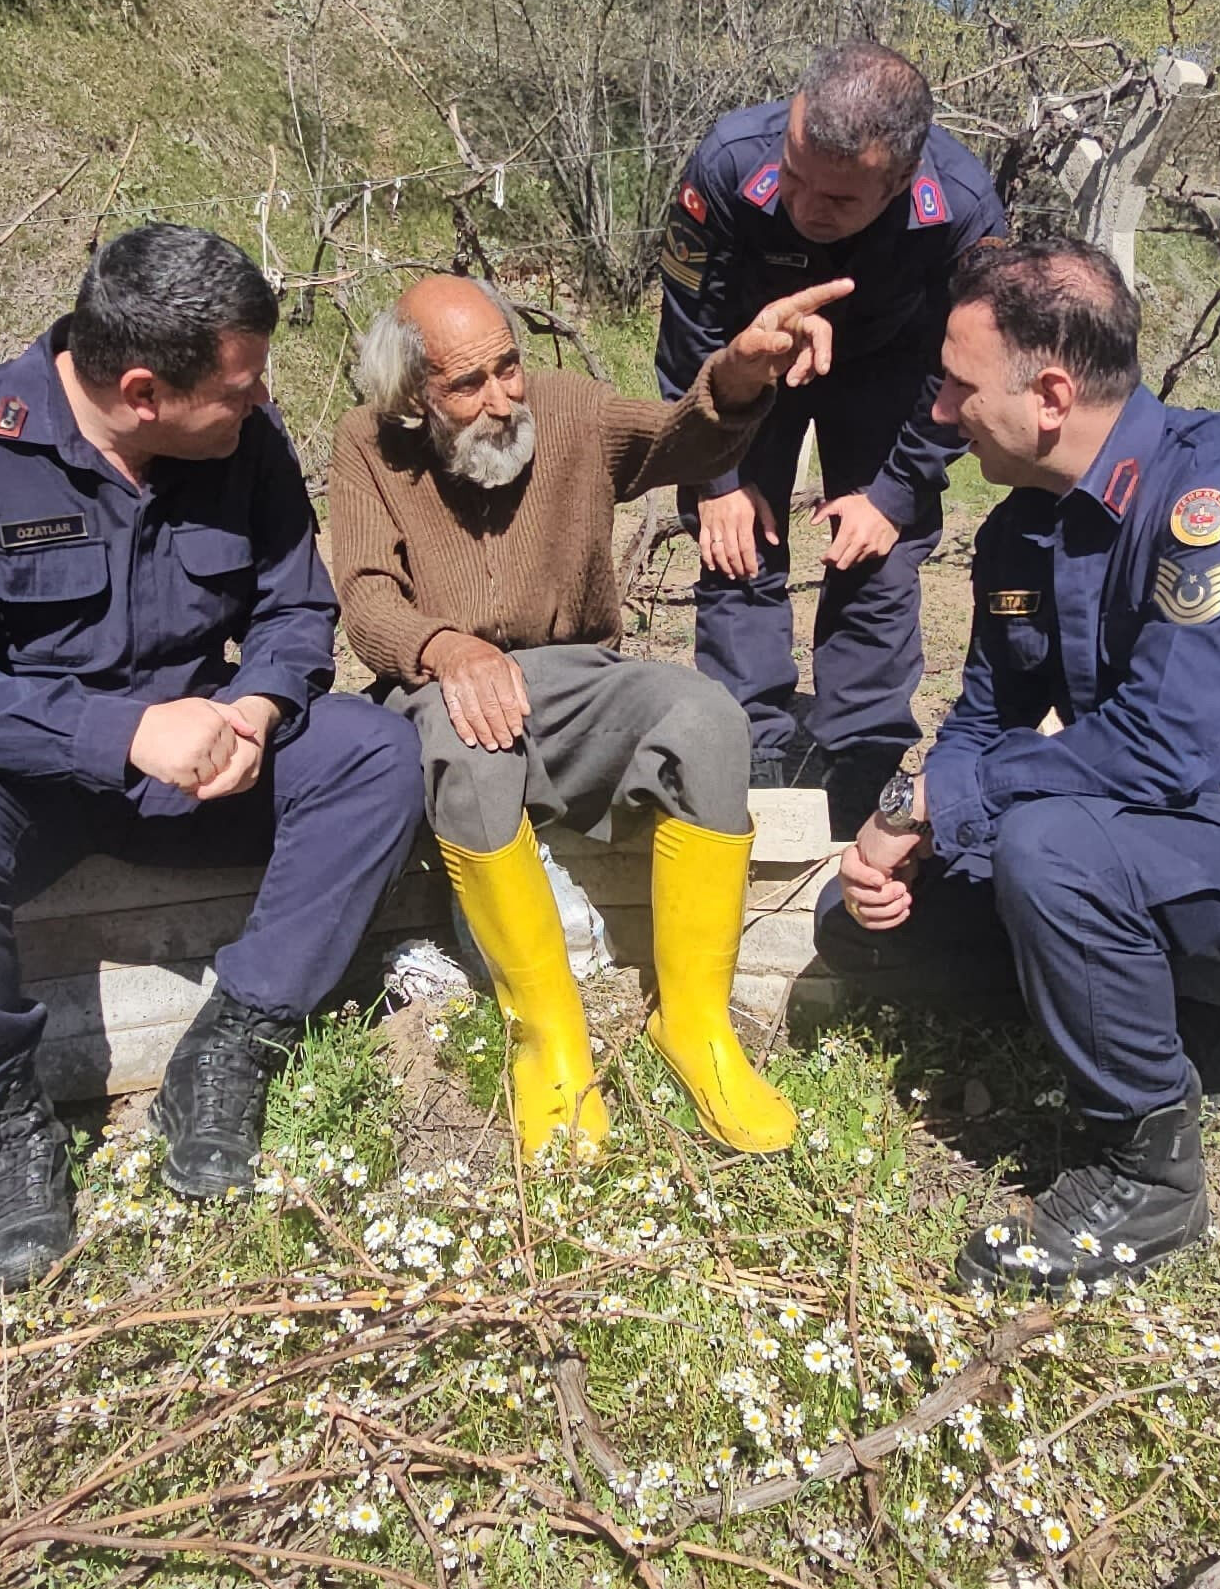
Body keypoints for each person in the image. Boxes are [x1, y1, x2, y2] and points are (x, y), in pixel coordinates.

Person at [821, 235, 1220, 1292]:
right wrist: (909, 830)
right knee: (896, 908)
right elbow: (986, 720)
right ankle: (1208, 1027)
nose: (942, 415)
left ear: (1050, 393)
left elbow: (1157, 747)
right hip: (1175, 841)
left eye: (960, 389)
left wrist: (926, 796)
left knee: (1048, 846)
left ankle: (1146, 1175)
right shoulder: (1021, 533)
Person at [0, 224, 423, 1291]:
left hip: (201, 768)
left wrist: (253, 705)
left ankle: (238, 1036)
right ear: (144, 391)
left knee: (372, 752)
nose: (257, 404)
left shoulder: (245, 439)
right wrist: (122, 732)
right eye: (238, 389)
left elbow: (295, 609)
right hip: (18, 783)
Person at [329, 270, 852, 1160]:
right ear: (413, 396)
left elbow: (677, 439)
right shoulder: (368, 446)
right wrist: (448, 651)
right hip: (443, 682)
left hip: (578, 676)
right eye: (468, 383)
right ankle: (550, 1040)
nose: (501, 399)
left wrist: (735, 374)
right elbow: (369, 596)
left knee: (707, 719)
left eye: (508, 367)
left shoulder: (567, 411)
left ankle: (696, 1028)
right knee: (474, 743)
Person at [657, 39, 1005, 824]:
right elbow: (688, 334)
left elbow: (966, 368)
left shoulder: (963, 211)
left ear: (903, 179)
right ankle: (747, 747)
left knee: (877, 553)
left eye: (840, 200)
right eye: (797, 176)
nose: (807, 207)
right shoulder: (728, 162)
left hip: (894, 367)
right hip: (754, 353)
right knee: (735, 540)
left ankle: (858, 761)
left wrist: (895, 490)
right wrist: (713, 475)